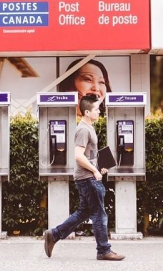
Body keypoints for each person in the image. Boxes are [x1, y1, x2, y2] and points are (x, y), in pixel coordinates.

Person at [44, 95, 125, 261]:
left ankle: (54, 235)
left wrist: (99, 166)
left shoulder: (89, 127)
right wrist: (94, 170)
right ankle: (103, 250)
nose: (99, 111)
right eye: (96, 109)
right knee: (99, 214)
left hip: (88, 176)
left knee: (84, 212)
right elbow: (78, 156)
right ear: (87, 112)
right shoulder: (83, 129)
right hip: (87, 178)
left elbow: (88, 155)